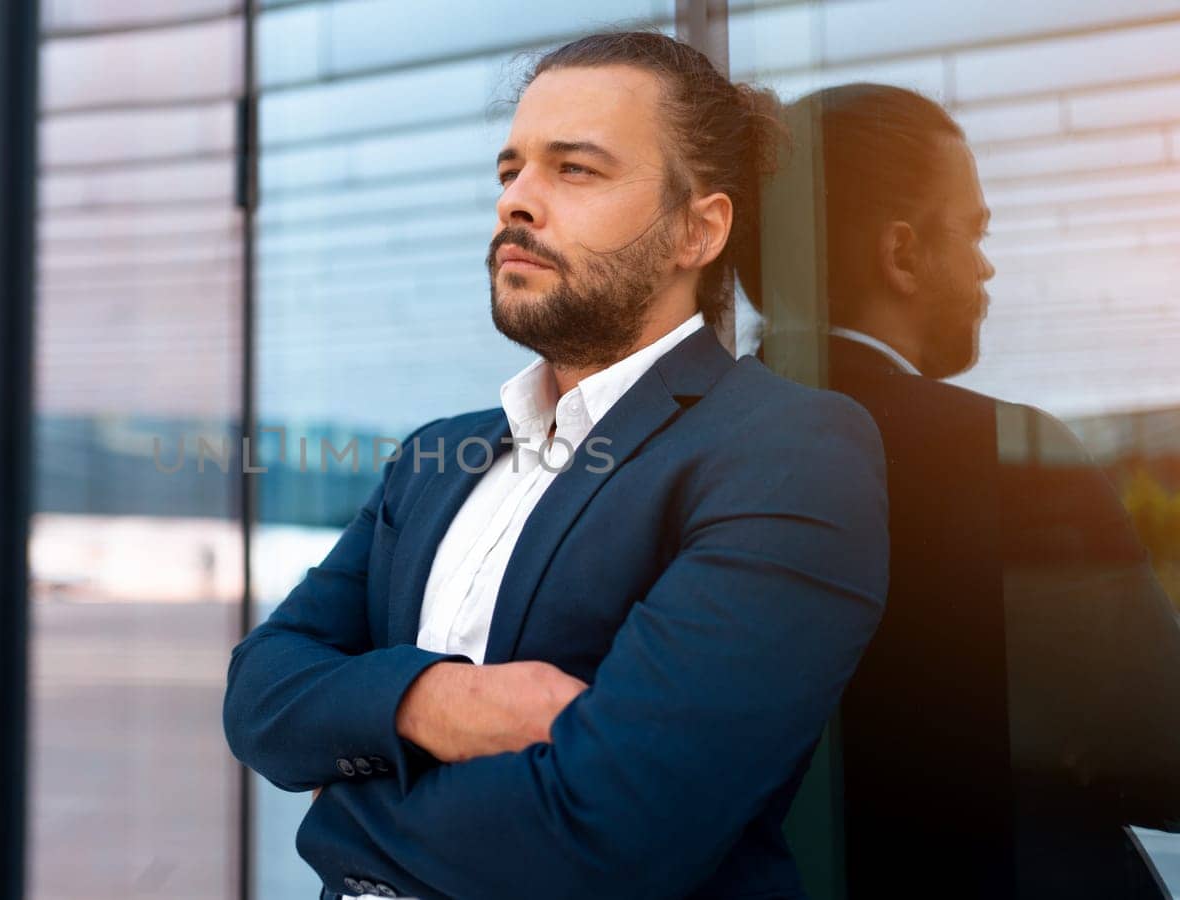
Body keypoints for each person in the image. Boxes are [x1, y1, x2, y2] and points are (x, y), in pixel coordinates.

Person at [223, 32, 890, 900]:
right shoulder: (436, 458)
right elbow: (260, 692)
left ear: (699, 229)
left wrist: (338, 818)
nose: (517, 203)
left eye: (574, 170)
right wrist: (439, 704)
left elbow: (614, 829)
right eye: (511, 171)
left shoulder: (789, 451)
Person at [739, 82, 1180, 899]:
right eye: (974, 232)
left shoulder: (686, 449)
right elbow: (1160, 748)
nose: (987, 264)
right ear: (901, 254)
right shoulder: (1002, 453)